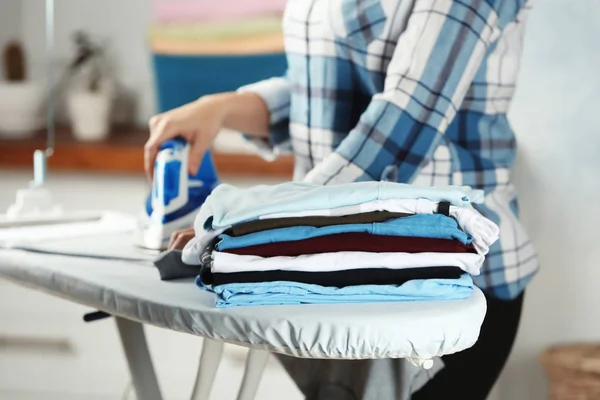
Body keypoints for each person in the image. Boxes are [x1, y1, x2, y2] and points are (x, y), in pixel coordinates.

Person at [144, 0, 539, 398]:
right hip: (332, 271)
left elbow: (403, 120)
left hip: (447, 276)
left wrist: (252, 227)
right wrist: (221, 108)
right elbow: (319, 88)